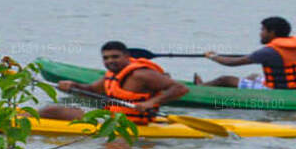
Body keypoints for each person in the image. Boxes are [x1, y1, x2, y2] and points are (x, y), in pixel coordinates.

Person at [40, 41, 189, 123]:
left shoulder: (142, 74)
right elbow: (91, 90)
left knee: (51, 110)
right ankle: (21, 118)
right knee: (53, 109)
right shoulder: (112, 75)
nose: (110, 61)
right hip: (111, 118)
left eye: (115, 57)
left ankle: (19, 122)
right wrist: (73, 86)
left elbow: (180, 89)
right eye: (106, 58)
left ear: (126, 56)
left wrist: (151, 103)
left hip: (133, 123)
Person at [193, 16, 296, 89]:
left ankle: (200, 88)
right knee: (254, 76)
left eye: (263, 30)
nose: (260, 33)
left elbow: (232, 63)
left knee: (225, 79)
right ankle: (239, 89)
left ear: (272, 32)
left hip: (278, 92)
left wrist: (213, 56)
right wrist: (294, 65)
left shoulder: (269, 51)